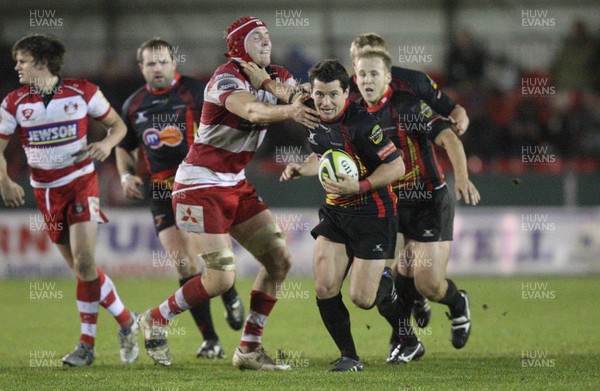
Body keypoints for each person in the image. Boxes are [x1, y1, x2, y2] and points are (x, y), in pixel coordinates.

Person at [136, 16, 320, 369]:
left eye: (268, 35)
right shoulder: (225, 78)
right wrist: (290, 107)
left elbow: (297, 93)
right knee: (220, 279)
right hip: (198, 185)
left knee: (279, 261)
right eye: (257, 37)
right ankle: (155, 318)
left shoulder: (277, 74)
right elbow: (253, 109)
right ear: (238, 46)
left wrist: (285, 93)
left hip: (235, 182)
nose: (267, 41)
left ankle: (249, 348)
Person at [0, 34, 137, 366]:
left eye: (22, 60)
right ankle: (127, 322)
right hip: (45, 192)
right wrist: (4, 179)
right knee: (82, 271)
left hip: (81, 183)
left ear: (42, 63)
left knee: (86, 263)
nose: (16, 66)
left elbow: (118, 127)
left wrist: (105, 145)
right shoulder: (14, 102)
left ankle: (86, 346)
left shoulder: (83, 92)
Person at [116, 38, 246, 360]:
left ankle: (229, 293)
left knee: (210, 259)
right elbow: (123, 145)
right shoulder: (133, 105)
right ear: (141, 68)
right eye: (150, 63)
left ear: (174, 62)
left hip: (196, 185)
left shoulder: (196, 91)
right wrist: (126, 175)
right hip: (159, 191)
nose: (157, 68)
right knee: (185, 263)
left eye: (162, 61)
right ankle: (211, 339)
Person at [354, 49, 479, 363]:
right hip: (391, 204)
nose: (367, 80)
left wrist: (461, 178)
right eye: (362, 74)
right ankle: (403, 339)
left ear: (388, 78)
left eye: (374, 74)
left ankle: (456, 301)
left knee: (426, 281)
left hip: (428, 202)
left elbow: (449, 138)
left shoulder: (409, 108)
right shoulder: (354, 113)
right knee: (390, 278)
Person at [280, 59, 405, 371]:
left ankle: (403, 326)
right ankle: (350, 356)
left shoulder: (363, 124)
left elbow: (397, 166)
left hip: (375, 214)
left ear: (347, 93)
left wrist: (359, 185)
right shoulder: (307, 110)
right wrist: (301, 168)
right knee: (324, 286)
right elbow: (324, 155)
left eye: (333, 95)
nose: (325, 102)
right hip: (337, 212)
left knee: (364, 298)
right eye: (320, 94)